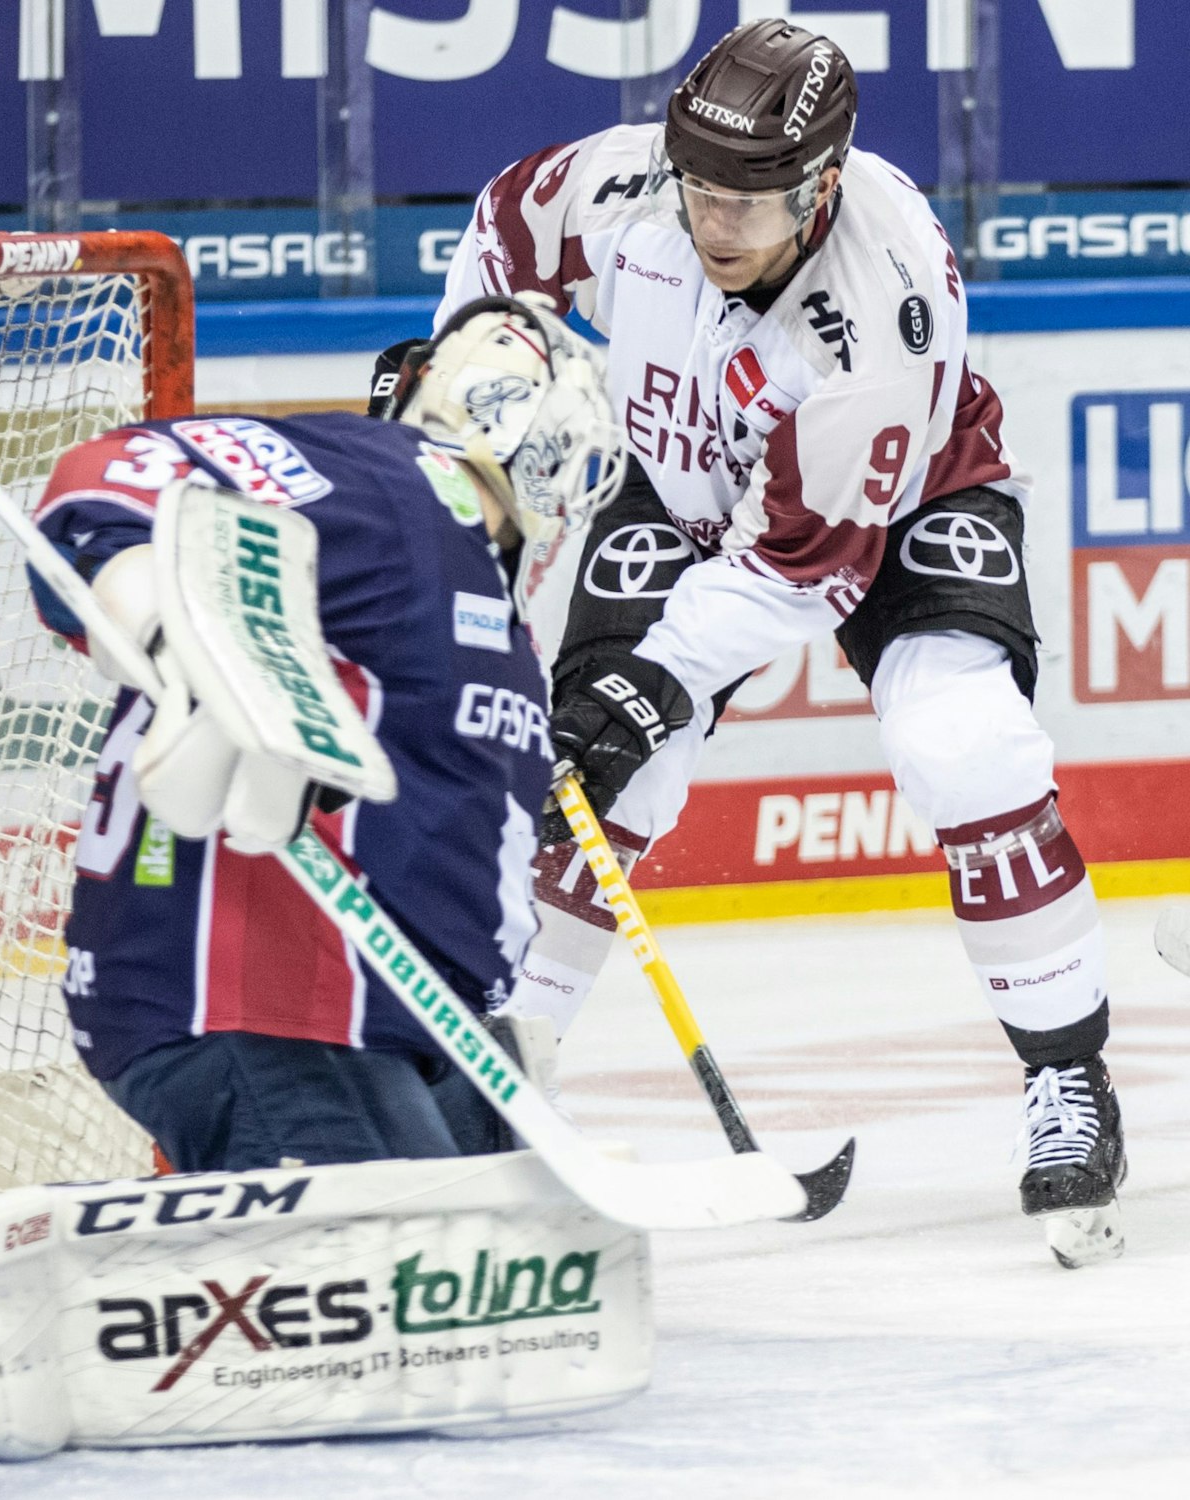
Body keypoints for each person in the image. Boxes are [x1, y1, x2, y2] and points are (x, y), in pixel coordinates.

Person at [0, 296, 630, 1447]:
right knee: (404, 1304)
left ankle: (187, 1230)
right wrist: (160, 623)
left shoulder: (471, 584)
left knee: (516, 1284)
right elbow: (108, 479)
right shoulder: (394, 482)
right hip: (263, 1007)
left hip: (394, 1026)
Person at [420, 18, 1123, 1267]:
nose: (714, 220)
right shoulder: (627, 183)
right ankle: (492, 1084)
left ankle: (1068, 1078)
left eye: (747, 198)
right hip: (680, 479)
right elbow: (502, 232)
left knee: (961, 739)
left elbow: (806, 564)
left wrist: (654, 679)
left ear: (820, 183)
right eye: (698, 186)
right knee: (593, 769)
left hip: (898, 503)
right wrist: (458, 365)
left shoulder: (877, 305)